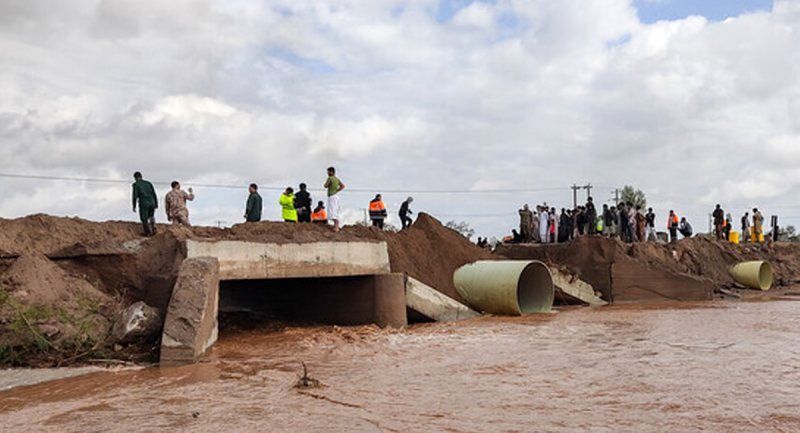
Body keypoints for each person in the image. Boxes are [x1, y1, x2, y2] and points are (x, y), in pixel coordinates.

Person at [132, 172, 158, 236]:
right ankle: (154, 227)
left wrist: (134, 206)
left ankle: (148, 232)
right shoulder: (148, 183)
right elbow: (154, 194)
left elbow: (135, 196)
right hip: (152, 202)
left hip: (144, 203)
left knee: (144, 218)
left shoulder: (136, 184)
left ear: (135, 178)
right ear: (141, 176)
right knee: (151, 215)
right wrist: (156, 203)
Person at [324, 167, 345, 232]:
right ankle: (336, 226)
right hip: (336, 196)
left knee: (332, 211)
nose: (327, 173)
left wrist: (330, 184)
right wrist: (336, 190)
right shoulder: (337, 179)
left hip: (332, 196)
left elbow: (325, 186)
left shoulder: (330, 178)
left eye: (328, 172)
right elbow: (343, 186)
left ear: (332, 172)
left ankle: (336, 227)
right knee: (334, 211)